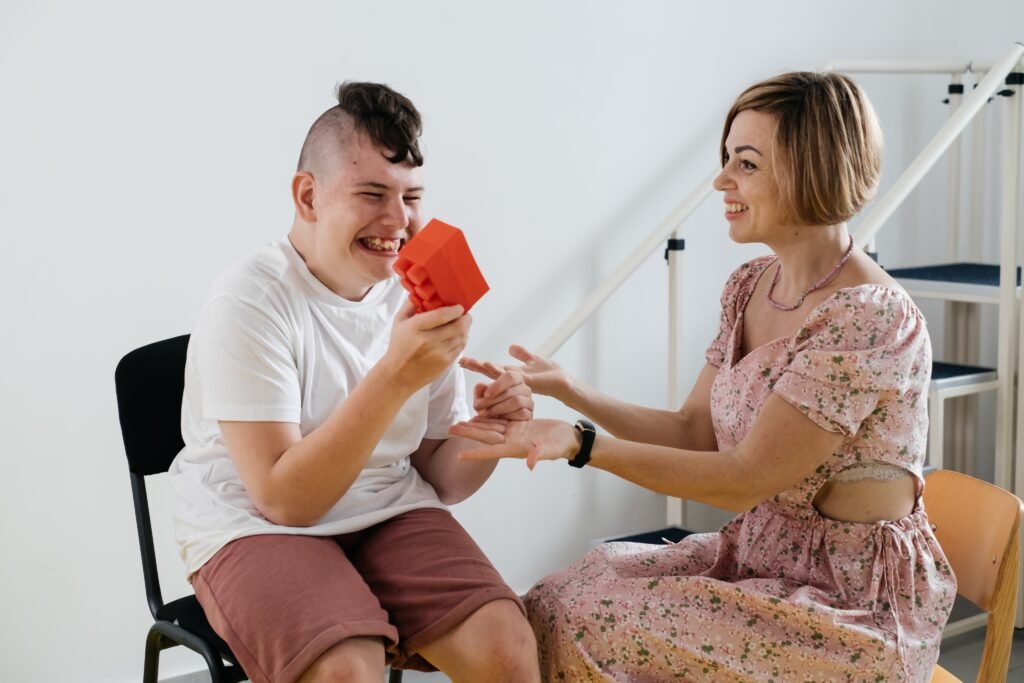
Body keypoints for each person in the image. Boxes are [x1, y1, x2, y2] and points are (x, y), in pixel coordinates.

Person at [454, 71, 955, 682]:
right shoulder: (750, 286)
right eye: (726, 160)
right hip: (761, 555)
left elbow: (742, 480)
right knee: (569, 588)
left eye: (745, 164)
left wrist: (581, 446)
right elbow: (696, 431)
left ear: (811, 168)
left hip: (850, 607)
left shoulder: (870, 318)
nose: (721, 181)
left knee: (592, 616)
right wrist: (568, 389)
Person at [168, 81, 540, 683]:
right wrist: (395, 375)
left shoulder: (416, 295)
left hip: (385, 507)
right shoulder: (248, 300)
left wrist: (494, 435)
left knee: (507, 645)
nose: (398, 222)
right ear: (308, 196)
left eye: (411, 197)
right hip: (256, 521)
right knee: (347, 668)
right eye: (372, 194)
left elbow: (439, 477)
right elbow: (285, 501)